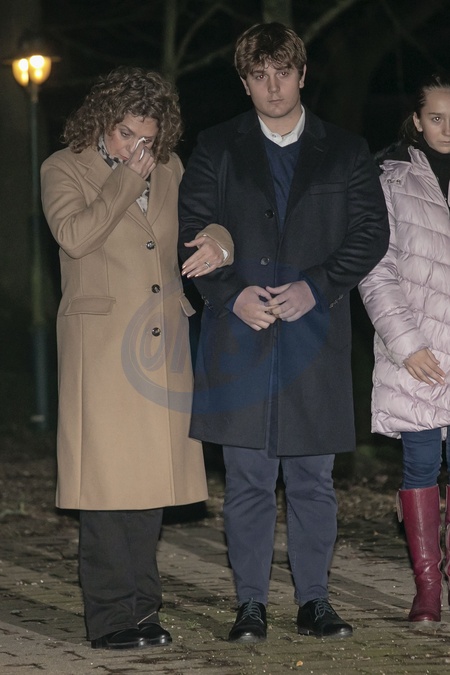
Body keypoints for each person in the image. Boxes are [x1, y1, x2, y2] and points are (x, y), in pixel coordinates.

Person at [178, 22, 389, 642]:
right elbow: (191, 230)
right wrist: (230, 294)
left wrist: (316, 287)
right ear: (244, 83)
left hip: (313, 338)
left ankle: (314, 602)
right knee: (246, 479)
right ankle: (250, 605)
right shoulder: (216, 147)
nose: (273, 86)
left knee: (312, 480)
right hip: (238, 339)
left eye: (284, 73)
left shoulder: (346, 149)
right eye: (259, 75)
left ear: (302, 75)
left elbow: (370, 234)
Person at [40, 66, 233, 650]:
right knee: (105, 488)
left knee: (148, 486)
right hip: (100, 347)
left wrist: (221, 241)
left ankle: (143, 611)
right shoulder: (63, 167)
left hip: (159, 342)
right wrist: (126, 179)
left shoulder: (170, 168)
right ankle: (110, 620)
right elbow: (75, 236)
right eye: (127, 134)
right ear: (103, 119)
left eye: (148, 138)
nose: (138, 148)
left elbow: (201, 219)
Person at [359, 72, 450, 626]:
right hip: (417, 354)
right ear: (417, 121)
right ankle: (428, 588)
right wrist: (406, 344)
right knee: (420, 464)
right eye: (436, 117)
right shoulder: (389, 178)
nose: (447, 128)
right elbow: (377, 268)